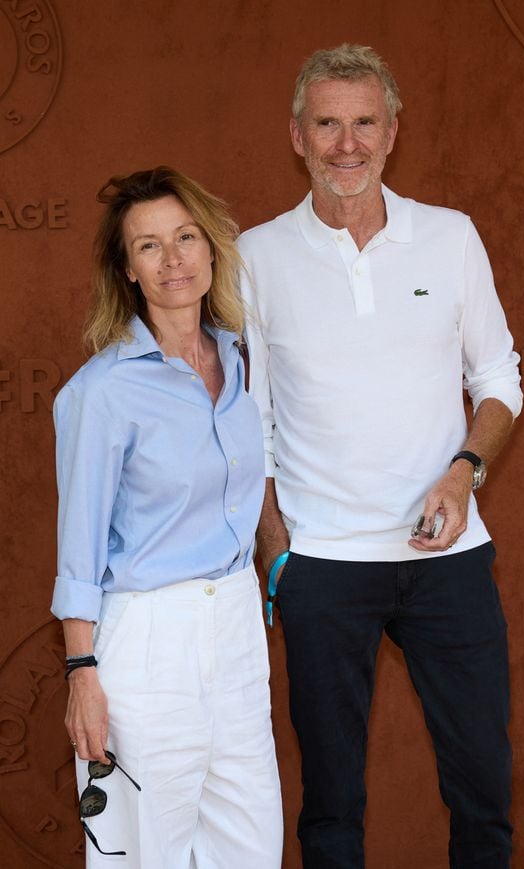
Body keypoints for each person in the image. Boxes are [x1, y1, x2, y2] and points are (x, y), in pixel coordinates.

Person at [239, 44, 522, 869]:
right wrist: (276, 550)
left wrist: (464, 470)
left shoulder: (451, 237)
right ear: (298, 135)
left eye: (365, 122)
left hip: (450, 562)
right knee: (331, 805)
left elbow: (499, 377)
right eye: (327, 123)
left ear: (393, 131)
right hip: (322, 564)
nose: (347, 144)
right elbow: (247, 420)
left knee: (484, 788)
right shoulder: (256, 256)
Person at [50, 166, 283, 869]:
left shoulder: (239, 360)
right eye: (149, 246)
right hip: (146, 644)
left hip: (238, 634)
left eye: (186, 237)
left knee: (249, 849)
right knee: (136, 854)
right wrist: (82, 671)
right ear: (127, 269)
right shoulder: (102, 392)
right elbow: (79, 551)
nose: (174, 258)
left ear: (213, 248)